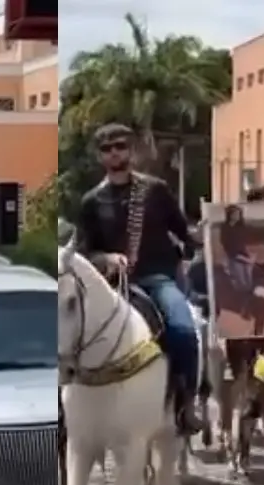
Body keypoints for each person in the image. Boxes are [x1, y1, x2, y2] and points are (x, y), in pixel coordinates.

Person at [75, 122, 204, 434]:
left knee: (184, 330)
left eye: (120, 146)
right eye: (107, 149)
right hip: (110, 287)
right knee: (69, 335)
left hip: (155, 279)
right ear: (99, 156)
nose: (115, 153)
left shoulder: (155, 190)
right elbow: (82, 253)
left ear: (131, 151)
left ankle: (186, 403)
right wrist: (105, 259)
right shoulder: (91, 201)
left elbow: (184, 232)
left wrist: (204, 239)